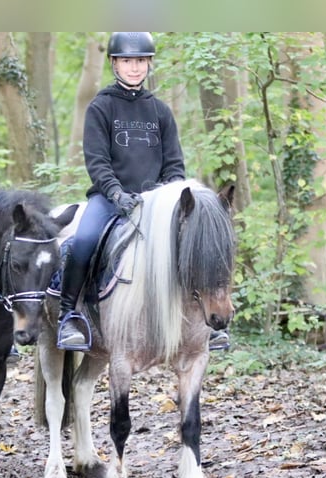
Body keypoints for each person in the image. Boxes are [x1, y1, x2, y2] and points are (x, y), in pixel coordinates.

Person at [57, 32, 230, 352]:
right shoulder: (101, 107)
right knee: (82, 241)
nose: (134, 67)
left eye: (140, 61)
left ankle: (207, 325)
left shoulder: (160, 111)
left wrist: (167, 198)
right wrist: (116, 193)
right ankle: (69, 315)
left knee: (197, 244)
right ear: (114, 64)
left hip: (157, 205)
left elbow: (174, 165)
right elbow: (96, 160)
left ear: (149, 64)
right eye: (127, 61)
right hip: (110, 200)